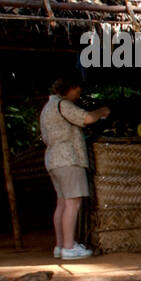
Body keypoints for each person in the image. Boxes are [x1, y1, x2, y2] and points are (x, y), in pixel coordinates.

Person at [39, 79, 109, 260]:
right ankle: (69, 248)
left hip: (54, 159)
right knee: (72, 204)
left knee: (62, 203)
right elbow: (87, 118)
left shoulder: (48, 106)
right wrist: (101, 111)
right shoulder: (63, 105)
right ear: (69, 88)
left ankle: (61, 245)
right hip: (68, 158)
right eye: (77, 91)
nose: (78, 95)